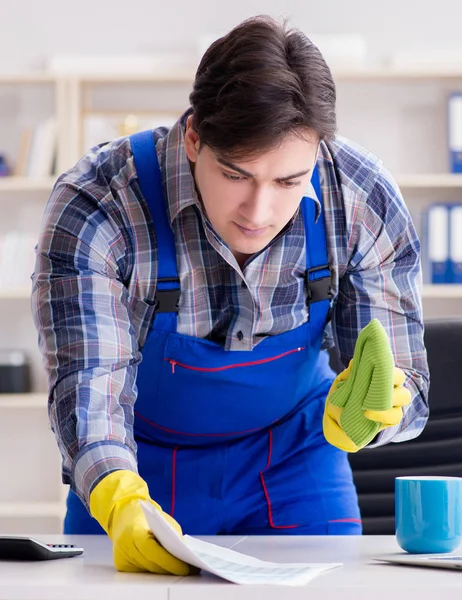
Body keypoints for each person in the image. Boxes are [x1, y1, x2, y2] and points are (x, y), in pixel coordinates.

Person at [32, 15, 429, 575]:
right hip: (137, 467)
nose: (259, 212)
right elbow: (88, 386)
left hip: (295, 460)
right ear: (194, 137)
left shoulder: (359, 196)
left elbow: (404, 375)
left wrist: (377, 408)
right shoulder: (99, 202)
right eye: (237, 174)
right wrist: (119, 498)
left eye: (290, 182)